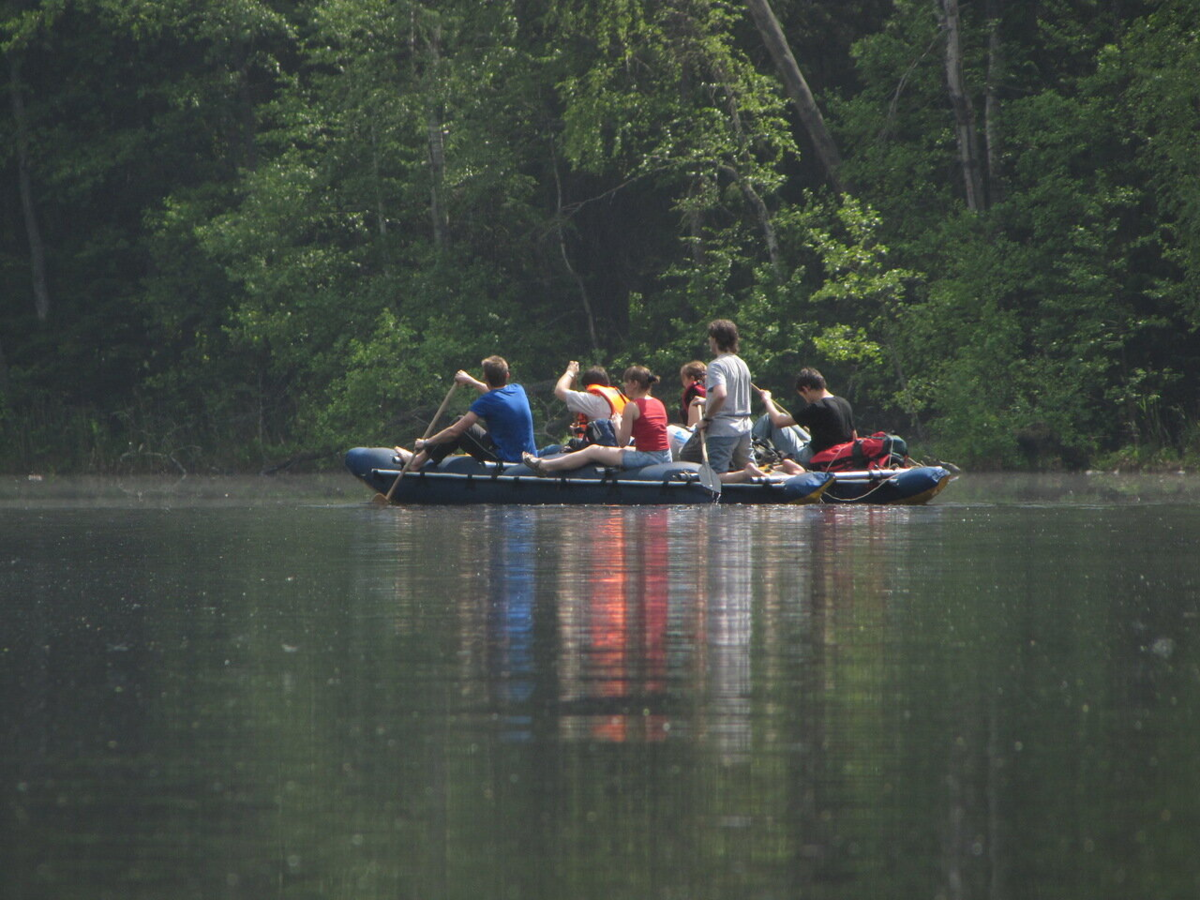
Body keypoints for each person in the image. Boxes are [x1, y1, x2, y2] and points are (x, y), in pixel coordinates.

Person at [522, 366, 672, 474]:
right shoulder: (658, 403)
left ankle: (545, 465)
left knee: (593, 450)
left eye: (626, 382)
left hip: (648, 458)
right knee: (625, 450)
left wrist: (617, 423)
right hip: (665, 455)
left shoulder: (632, 407)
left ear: (634, 383)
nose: (624, 386)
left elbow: (622, 442)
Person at [396, 356, 537, 469]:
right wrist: (470, 381)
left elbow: (454, 432)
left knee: (459, 425)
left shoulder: (486, 402)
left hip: (505, 458)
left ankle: (417, 462)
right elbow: (495, 392)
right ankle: (424, 458)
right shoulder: (518, 390)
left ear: (485, 377)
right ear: (507, 375)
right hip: (526, 456)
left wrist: (426, 443)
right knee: (461, 426)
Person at [680, 319, 766, 483]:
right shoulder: (742, 364)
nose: (709, 342)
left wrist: (706, 419)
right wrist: (707, 402)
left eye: (710, 338)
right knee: (748, 469)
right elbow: (733, 397)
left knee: (713, 476)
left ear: (716, 339)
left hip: (723, 429)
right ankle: (750, 474)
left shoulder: (716, 365)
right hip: (744, 426)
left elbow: (721, 395)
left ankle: (745, 474)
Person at [757, 367, 857, 467]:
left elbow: (779, 422)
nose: (806, 400)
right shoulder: (844, 403)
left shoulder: (818, 407)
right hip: (840, 455)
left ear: (806, 388)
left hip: (812, 457)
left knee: (769, 418)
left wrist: (767, 400)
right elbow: (854, 435)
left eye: (803, 395)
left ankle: (752, 453)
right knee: (784, 416)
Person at [554, 360, 628, 446]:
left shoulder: (595, 401)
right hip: (617, 444)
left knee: (551, 449)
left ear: (587, 386)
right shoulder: (618, 397)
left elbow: (559, 391)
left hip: (604, 447)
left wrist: (570, 372)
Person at [678, 360, 707, 425]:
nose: (683, 383)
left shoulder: (692, 394)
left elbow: (693, 425)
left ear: (692, 378)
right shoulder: (711, 390)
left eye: (684, 379)